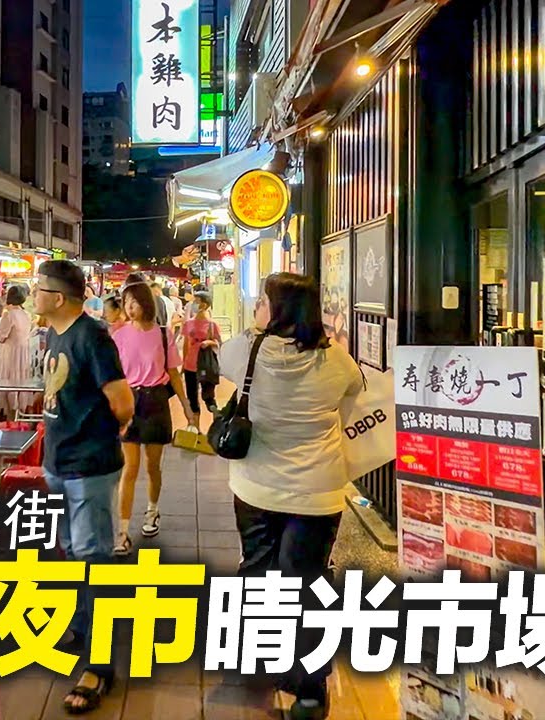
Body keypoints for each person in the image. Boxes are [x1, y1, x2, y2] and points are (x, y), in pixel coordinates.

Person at [217, 272, 364, 720]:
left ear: (273, 309)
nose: (257, 306)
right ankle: (310, 691)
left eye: (262, 300)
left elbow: (223, 361)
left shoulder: (244, 351)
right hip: (317, 493)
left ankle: (261, 659)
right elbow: (353, 393)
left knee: (258, 572)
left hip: (255, 486)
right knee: (307, 586)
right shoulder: (336, 360)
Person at [34, 260, 134, 715]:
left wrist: (93, 436)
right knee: (72, 553)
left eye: (38, 289)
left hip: (89, 466)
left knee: (94, 561)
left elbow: (123, 403)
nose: (32, 295)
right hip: (59, 461)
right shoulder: (56, 334)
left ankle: (100, 665)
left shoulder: (92, 337)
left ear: (57, 297)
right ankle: (79, 624)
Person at [112, 283, 194, 554]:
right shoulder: (119, 335)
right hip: (130, 401)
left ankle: (152, 510)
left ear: (146, 303)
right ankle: (123, 531)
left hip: (156, 401)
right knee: (130, 467)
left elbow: (174, 373)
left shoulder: (163, 334)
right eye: (126, 302)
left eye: (134, 302)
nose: (129, 308)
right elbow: (114, 375)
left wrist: (186, 406)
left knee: (153, 465)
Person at [180, 291, 221, 420]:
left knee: (208, 395)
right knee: (192, 397)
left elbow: (218, 344)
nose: (193, 304)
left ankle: (215, 418)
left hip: (206, 364)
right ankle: (195, 428)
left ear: (204, 305)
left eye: (196, 301)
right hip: (190, 365)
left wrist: (208, 342)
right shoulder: (188, 324)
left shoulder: (212, 325)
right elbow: (186, 345)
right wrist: (183, 364)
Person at [0, 285, 33, 417]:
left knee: (9, 382)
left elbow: (1, 337)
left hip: (11, 353)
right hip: (24, 354)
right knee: (20, 381)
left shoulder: (8, 315)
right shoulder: (26, 315)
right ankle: (19, 414)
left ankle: (10, 417)